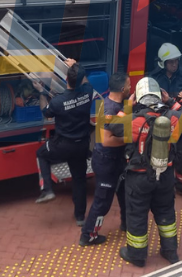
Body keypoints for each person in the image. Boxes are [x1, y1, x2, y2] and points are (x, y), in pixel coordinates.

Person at [115, 77, 180, 267]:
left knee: (136, 215)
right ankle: (171, 252)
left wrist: (127, 106)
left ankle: (136, 255)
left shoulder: (133, 120)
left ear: (139, 97)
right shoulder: (172, 118)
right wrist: (171, 101)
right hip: (166, 175)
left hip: (139, 176)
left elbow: (111, 126)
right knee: (166, 213)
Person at [34, 59, 94, 227]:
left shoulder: (58, 102)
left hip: (63, 144)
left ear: (65, 79)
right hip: (82, 145)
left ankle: (47, 189)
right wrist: (77, 66)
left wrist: (41, 92)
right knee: (79, 179)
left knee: (41, 154)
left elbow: (46, 113)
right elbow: (85, 80)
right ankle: (80, 217)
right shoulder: (87, 92)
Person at [79, 73, 130, 246]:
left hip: (117, 160)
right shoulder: (110, 109)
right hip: (106, 162)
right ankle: (88, 235)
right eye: (129, 85)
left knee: (123, 193)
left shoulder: (117, 104)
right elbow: (107, 140)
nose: (131, 88)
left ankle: (127, 223)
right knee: (103, 202)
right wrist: (129, 139)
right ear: (122, 89)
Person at [149, 43, 182, 203]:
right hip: (163, 125)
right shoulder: (154, 78)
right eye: (171, 62)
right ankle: (161, 186)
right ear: (163, 63)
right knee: (161, 155)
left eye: (176, 61)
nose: (174, 64)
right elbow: (149, 100)